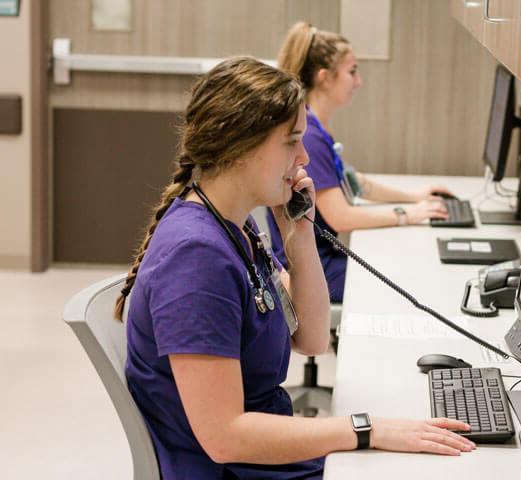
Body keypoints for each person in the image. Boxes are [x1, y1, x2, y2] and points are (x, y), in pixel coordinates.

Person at [114, 57, 475, 480]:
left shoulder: (235, 225)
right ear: (239, 147)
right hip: (236, 468)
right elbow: (224, 437)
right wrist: (365, 429)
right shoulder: (197, 260)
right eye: (292, 141)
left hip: (265, 459)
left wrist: (299, 238)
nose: (304, 156)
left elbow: (313, 338)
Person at [267, 22, 454, 303]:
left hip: (323, 259)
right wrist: (407, 215)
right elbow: (341, 217)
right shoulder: (310, 137)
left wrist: (414, 197)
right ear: (324, 78)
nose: (358, 81)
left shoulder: (316, 127)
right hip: (314, 271)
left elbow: (353, 181)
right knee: (406, 281)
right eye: (352, 72)